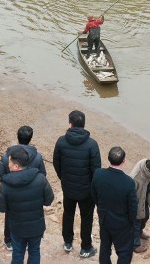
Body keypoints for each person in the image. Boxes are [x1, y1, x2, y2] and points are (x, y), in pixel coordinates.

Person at [53, 110, 102, 258]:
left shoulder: (61, 141)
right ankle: (85, 247)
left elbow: (56, 164)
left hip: (68, 187)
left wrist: (64, 178)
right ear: (84, 124)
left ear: (70, 123)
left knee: (68, 214)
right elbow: (96, 170)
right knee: (86, 218)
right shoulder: (92, 144)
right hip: (86, 190)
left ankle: (67, 242)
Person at [0, 145, 54, 264]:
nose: (8, 165)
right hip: (36, 227)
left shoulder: (6, 185)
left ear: (16, 166)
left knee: (17, 254)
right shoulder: (40, 179)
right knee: (34, 252)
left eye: (10, 162)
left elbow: (0, 207)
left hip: (17, 228)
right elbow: (48, 201)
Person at [0, 125, 49, 250]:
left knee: (10, 215)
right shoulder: (37, 156)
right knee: (32, 215)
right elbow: (43, 175)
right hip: (32, 193)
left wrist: (10, 183)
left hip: (12, 193)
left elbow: (0, 175)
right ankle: (28, 241)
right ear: (30, 139)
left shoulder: (7, 156)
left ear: (18, 137)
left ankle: (9, 241)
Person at [91, 146, 137, 264]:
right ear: (124, 161)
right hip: (122, 223)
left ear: (108, 159)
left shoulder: (98, 174)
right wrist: (131, 222)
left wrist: (101, 209)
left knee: (105, 249)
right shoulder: (129, 183)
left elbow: (94, 194)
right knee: (124, 253)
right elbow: (132, 208)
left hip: (105, 218)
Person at [130, 158, 150, 254]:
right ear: (148, 170)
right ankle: (135, 245)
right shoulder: (135, 178)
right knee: (136, 222)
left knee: (145, 216)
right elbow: (130, 195)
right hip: (136, 202)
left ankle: (139, 232)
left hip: (144, 198)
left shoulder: (147, 164)